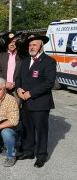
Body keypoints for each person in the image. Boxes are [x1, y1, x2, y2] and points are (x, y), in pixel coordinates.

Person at [16, 34, 56, 168]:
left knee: (41, 130)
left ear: (41, 46)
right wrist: (19, 89)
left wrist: (30, 93)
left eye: (34, 44)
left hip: (40, 103)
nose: (31, 47)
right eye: (30, 45)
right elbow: (18, 78)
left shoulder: (49, 61)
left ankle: (41, 156)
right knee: (28, 128)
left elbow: (49, 83)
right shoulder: (26, 60)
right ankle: (28, 151)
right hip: (25, 102)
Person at [0, 31, 22, 97]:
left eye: (14, 42)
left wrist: (15, 84)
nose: (12, 44)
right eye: (10, 42)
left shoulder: (21, 56)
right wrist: (4, 83)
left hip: (16, 88)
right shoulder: (1, 55)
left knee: (15, 107)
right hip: (4, 87)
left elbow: (23, 71)